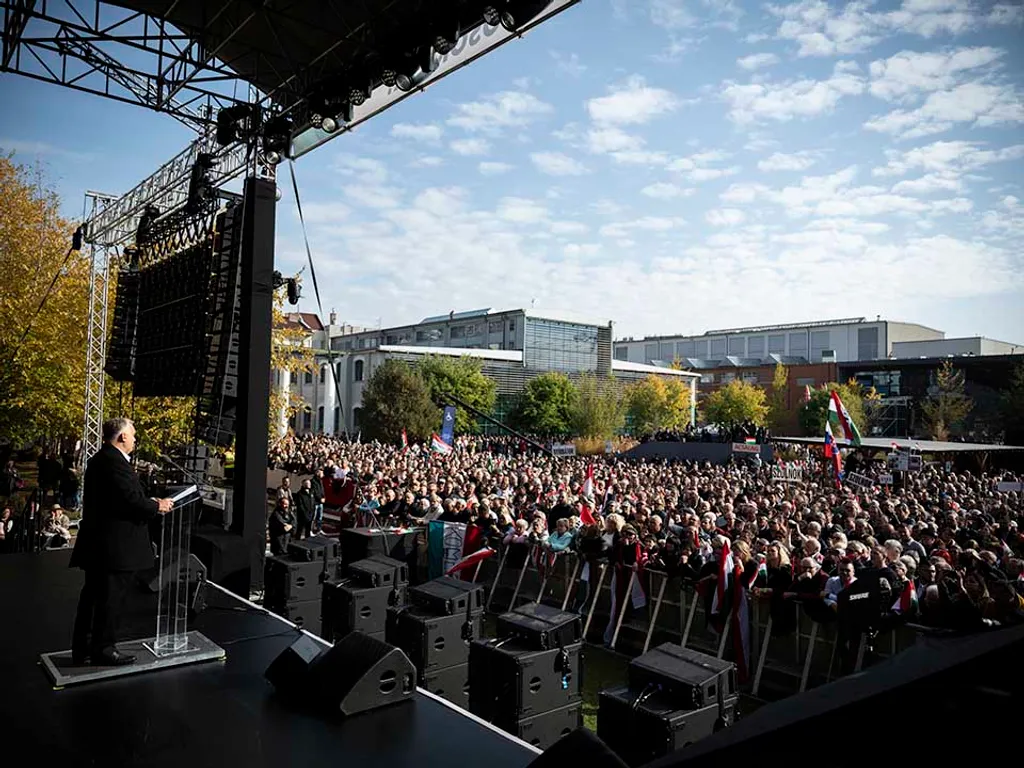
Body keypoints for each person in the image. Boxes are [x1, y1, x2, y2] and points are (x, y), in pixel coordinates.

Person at [70, 418, 173, 666]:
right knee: (108, 599)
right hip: (113, 548)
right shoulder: (113, 462)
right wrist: (156, 505)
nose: (136, 438)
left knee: (95, 598)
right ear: (122, 437)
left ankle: (84, 647)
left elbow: (120, 497)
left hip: (103, 546)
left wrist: (147, 500)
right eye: (133, 434)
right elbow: (130, 501)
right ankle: (103, 649)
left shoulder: (103, 459)